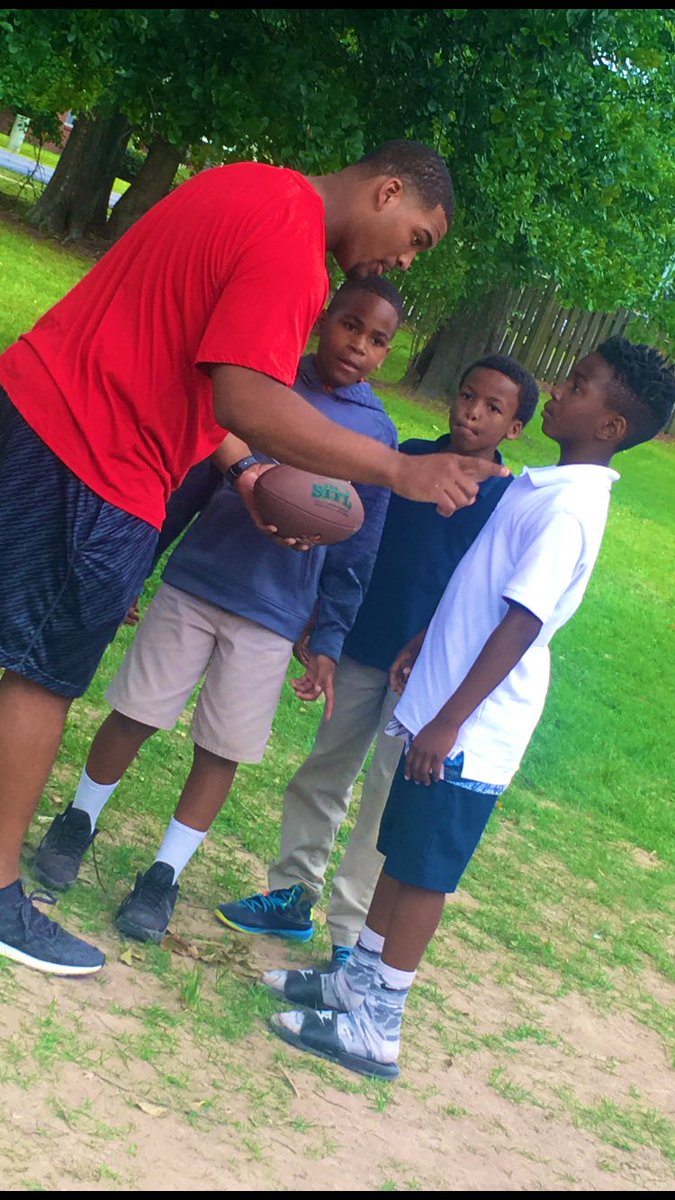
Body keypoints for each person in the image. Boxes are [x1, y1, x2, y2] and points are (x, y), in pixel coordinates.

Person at [0, 139, 509, 977]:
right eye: (416, 239)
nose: (404, 261)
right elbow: (247, 398)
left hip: (37, 402)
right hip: (99, 458)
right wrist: (396, 470)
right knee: (40, 677)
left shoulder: (249, 187)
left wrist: (245, 473)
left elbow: (191, 365)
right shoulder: (295, 246)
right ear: (388, 192)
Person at [260, 337, 675, 1079]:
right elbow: (482, 587)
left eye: (579, 385)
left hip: (470, 729)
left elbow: (523, 620)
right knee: (399, 852)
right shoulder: (541, 486)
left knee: (423, 874)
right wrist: (426, 639)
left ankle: (379, 1025)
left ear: (611, 426)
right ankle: (354, 985)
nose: (559, 388)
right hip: (439, 704)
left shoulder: (570, 509)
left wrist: (449, 721)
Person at [32, 275, 403, 945]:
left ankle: (164, 875)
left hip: (274, 614)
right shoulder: (264, 384)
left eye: (377, 340)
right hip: (198, 581)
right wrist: (138, 566)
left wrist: (328, 637)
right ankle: (77, 820)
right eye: (350, 325)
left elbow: (360, 548)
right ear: (324, 318)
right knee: (135, 713)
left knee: (221, 749)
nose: (359, 345)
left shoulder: (377, 434)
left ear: (388, 353)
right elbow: (193, 478)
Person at [216, 354, 540, 965]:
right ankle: (291, 894)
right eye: (467, 395)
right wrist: (325, 621)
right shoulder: (408, 460)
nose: (472, 412)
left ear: (515, 427)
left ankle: (351, 932)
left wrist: (434, 656)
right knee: (323, 771)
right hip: (363, 644)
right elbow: (359, 542)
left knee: (384, 803)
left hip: (426, 673)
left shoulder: (508, 501)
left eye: (493, 407)